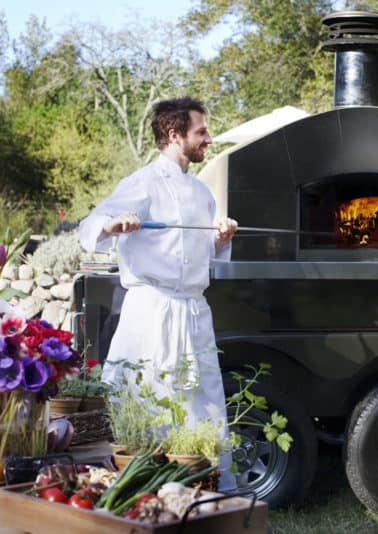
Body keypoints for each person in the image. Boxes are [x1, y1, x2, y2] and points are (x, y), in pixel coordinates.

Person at [79, 96, 238, 490]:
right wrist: (116, 222)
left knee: (201, 403)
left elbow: (200, 257)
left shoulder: (203, 194)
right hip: (151, 313)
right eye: (201, 131)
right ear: (173, 134)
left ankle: (199, 488)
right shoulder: (142, 182)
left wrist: (220, 240)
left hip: (193, 312)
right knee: (146, 396)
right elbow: (92, 222)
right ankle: (139, 487)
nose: (209, 138)